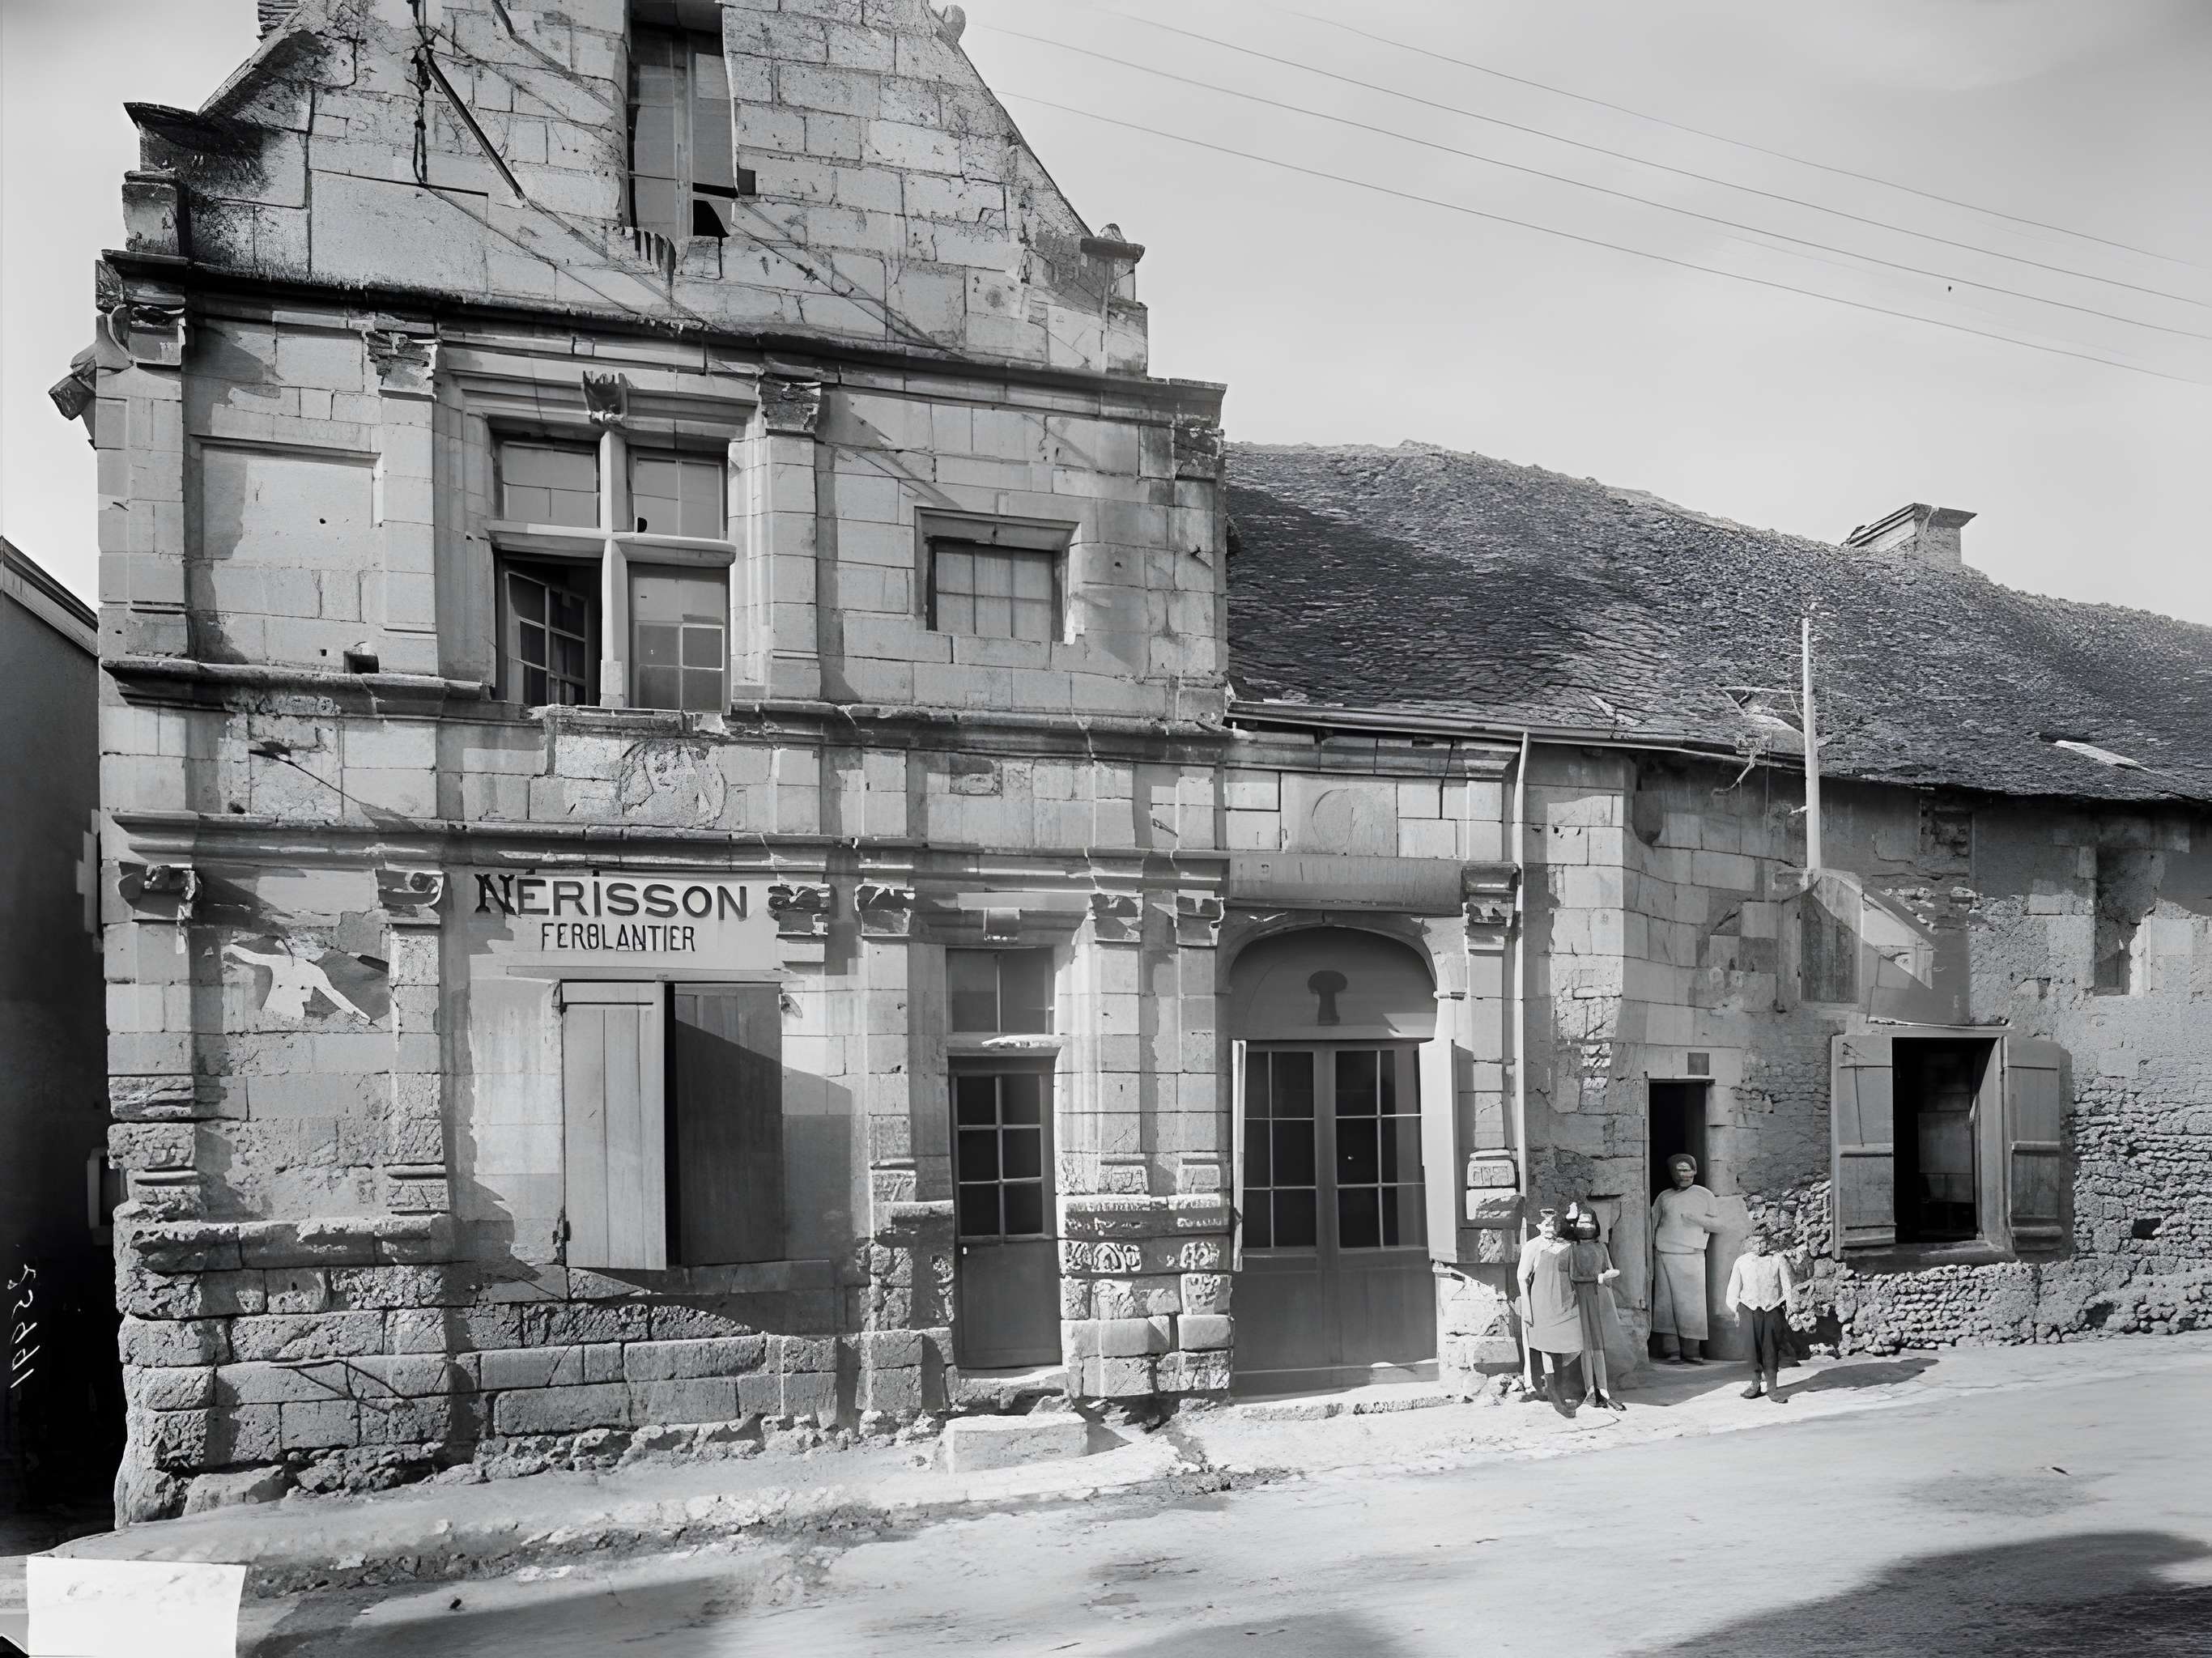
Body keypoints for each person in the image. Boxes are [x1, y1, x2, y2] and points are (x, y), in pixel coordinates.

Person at [1650, 1153, 1724, 1363]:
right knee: (1666, 1307)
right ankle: (1671, 1350)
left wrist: (1696, 1219)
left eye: (1686, 1169)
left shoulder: (1704, 1194)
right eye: (1678, 1170)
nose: (1682, 1174)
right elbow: (1652, 1223)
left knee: (1692, 1307)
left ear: (1694, 1170)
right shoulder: (1664, 1196)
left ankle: (1692, 1351)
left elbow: (1719, 1225)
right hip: (1665, 1254)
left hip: (1692, 1255)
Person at [1515, 1209, 1583, 1407]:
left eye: (1553, 1225)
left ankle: (1570, 1386)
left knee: (1572, 1343)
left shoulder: (1567, 1246)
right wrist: (1527, 1309)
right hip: (1541, 1302)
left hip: (1565, 1303)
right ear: (1539, 1227)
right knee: (1546, 1347)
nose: (1550, 1229)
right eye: (1546, 1225)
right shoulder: (1533, 1246)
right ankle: (1551, 1389)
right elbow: (1522, 1277)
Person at [1563, 1203, 1627, 1412]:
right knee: (1586, 1346)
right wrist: (1597, 1277)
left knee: (1599, 1347)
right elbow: (1574, 1276)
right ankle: (1590, 1389)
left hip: (1600, 1299)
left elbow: (1609, 1269)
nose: (1586, 1225)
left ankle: (1604, 1390)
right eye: (1582, 1221)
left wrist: (1609, 1275)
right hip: (1582, 1298)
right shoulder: (1573, 1249)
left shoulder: (1601, 1247)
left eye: (1589, 1221)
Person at [1725, 1226, 1799, 1401]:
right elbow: (1733, 1288)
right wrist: (1735, 1309)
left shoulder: (1777, 1260)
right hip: (1748, 1310)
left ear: (1769, 1242)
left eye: (1763, 1241)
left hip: (1771, 1309)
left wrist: (1791, 1306)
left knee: (1770, 1348)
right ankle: (1755, 1383)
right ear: (1749, 1243)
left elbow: (1787, 1285)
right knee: (1751, 1348)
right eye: (1756, 1242)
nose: (1760, 1246)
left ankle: (1773, 1388)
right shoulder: (1742, 1262)